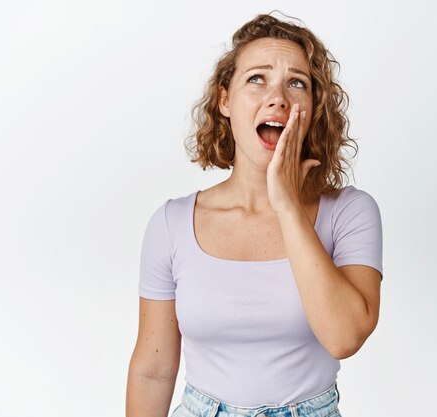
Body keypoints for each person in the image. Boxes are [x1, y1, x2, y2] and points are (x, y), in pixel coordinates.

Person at [126, 12, 383, 417]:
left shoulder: (350, 211)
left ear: (313, 107)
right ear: (225, 101)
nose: (278, 97)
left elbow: (343, 337)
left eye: (296, 83)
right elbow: (153, 371)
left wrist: (286, 204)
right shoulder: (172, 223)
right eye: (257, 79)